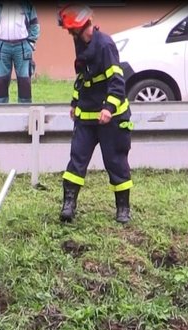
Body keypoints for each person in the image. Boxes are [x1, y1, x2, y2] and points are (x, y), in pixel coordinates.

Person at [57, 4, 133, 224]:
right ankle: (69, 205)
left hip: (111, 118)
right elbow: (82, 77)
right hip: (87, 116)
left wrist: (109, 108)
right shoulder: (80, 43)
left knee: (116, 161)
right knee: (76, 160)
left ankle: (123, 208)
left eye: (72, 30)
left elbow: (117, 80)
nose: (71, 35)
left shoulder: (105, 45)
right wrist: (74, 102)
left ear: (82, 26)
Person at [0, 1, 40, 104]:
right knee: (0, 80)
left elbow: (34, 24)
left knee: (25, 80)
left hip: (22, 47)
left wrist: (30, 43)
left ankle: (25, 108)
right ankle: (0, 109)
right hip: (2, 46)